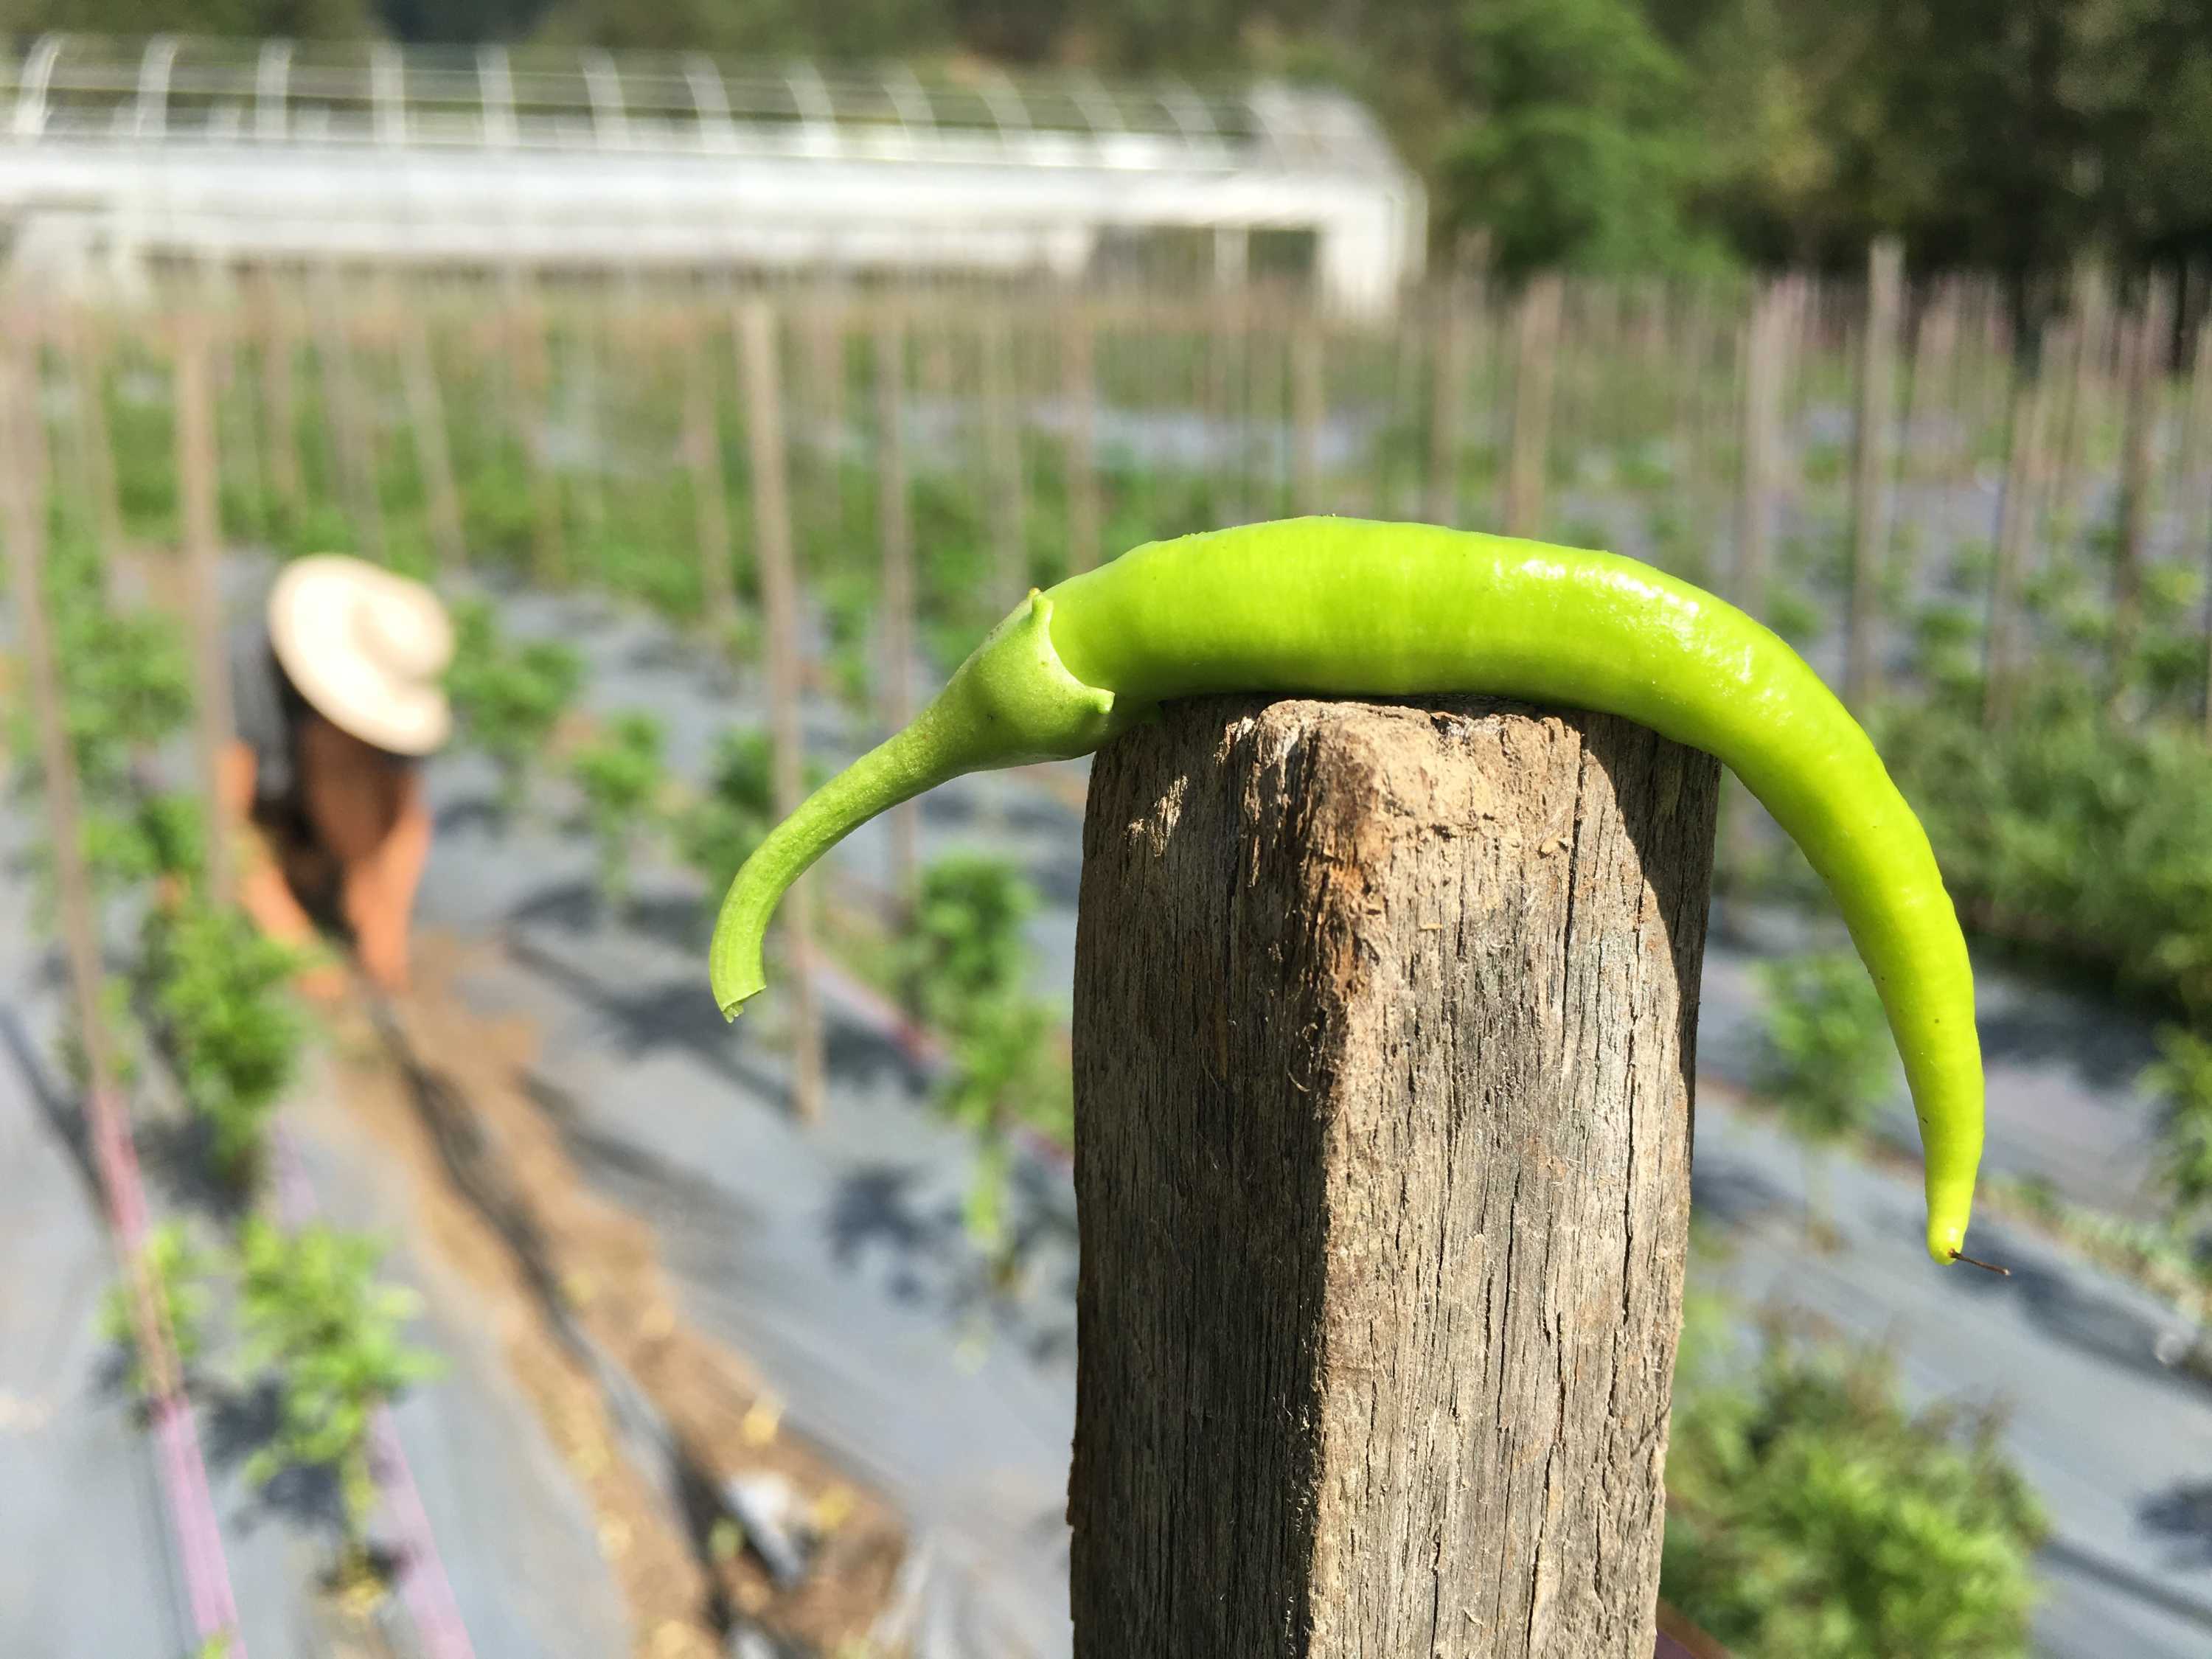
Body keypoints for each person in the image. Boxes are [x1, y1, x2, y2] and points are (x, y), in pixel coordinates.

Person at [220, 554, 453, 998]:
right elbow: (218, 823)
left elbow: (409, 818)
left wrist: (388, 919)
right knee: (184, 886)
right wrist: (294, 942)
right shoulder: (242, 668)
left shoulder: (394, 678)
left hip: (302, 800)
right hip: (253, 806)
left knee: (347, 766)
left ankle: (338, 892)